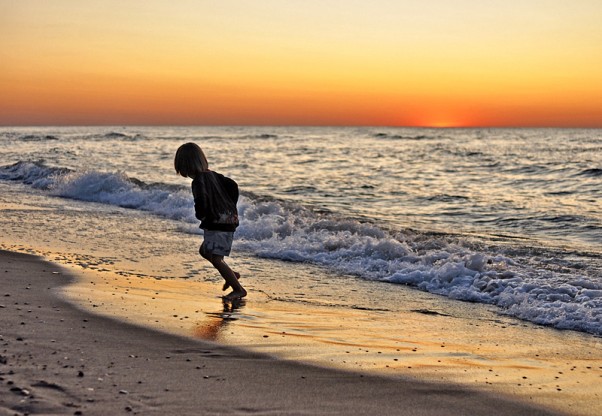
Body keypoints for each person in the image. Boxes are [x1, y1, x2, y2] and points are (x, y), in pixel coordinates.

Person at [174, 142, 246, 300]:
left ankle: (238, 289)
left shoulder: (199, 181)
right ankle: (232, 275)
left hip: (217, 223)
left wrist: (202, 215)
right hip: (227, 220)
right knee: (205, 251)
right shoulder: (214, 175)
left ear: (185, 166)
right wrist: (230, 208)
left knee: (215, 257)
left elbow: (201, 202)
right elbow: (233, 185)